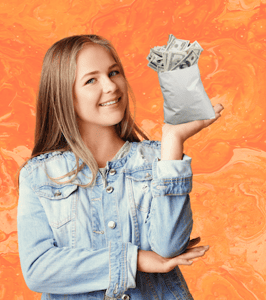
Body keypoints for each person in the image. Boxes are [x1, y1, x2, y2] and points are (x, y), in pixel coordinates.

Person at [17, 34, 220, 300]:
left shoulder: (158, 159)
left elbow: (169, 248)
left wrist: (173, 140)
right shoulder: (39, 175)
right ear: (64, 95)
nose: (111, 86)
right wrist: (134, 260)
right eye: (92, 80)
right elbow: (39, 270)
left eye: (114, 73)